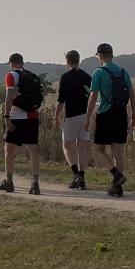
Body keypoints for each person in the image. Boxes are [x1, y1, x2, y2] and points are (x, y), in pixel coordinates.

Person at [84, 43, 135, 197]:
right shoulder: (123, 72)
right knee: (117, 149)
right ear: (112, 55)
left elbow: (93, 96)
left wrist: (88, 117)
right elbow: (132, 94)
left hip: (106, 113)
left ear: (100, 56)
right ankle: (117, 187)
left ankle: (117, 175)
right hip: (121, 113)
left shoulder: (99, 72)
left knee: (98, 149)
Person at [0, 53, 43, 194]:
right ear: (22, 62)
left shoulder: (11, 75)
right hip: (32, 117)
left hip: (16, 117)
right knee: (33, 150)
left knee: (9, 151)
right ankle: (35, 184)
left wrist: (6, 116)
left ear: (11, 63)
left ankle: (9, 182)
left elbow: (9, 97)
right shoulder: (32, 76)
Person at [54, 49, 92, 189]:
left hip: (71, 116)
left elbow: (61, 100)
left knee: (67, 146)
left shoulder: (65, 77)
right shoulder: (87, 76)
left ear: (67, 61)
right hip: (85, 115)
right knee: (82, 148)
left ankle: (76, 174)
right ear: (79, 60)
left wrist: (57, 115)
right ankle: (82, 177)